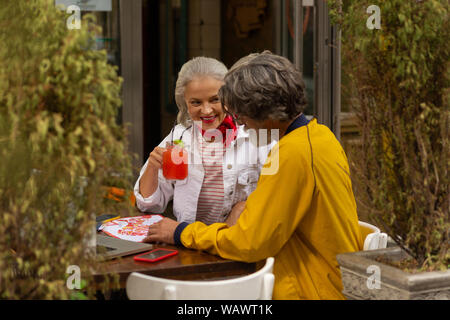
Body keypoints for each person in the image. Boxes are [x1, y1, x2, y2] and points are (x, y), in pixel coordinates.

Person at [143, 51, 364, 300]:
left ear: (262, 110)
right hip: (331, 282)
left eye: (241, 113)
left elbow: (249, 243)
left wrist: (179, 232)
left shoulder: (291, 154)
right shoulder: (321, 137)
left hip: (310, 290)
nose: (239, 122)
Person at [134, 56, 274, 226]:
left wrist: (243, 208)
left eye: (215, 99)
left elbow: (279, 198)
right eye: (196, 102)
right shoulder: (178, 137)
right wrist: (152, 168)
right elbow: (149, 205)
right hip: (190, 244)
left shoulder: (258, 135)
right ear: (185, 103)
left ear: (229, 95)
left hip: (239, 244)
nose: (206, 110)